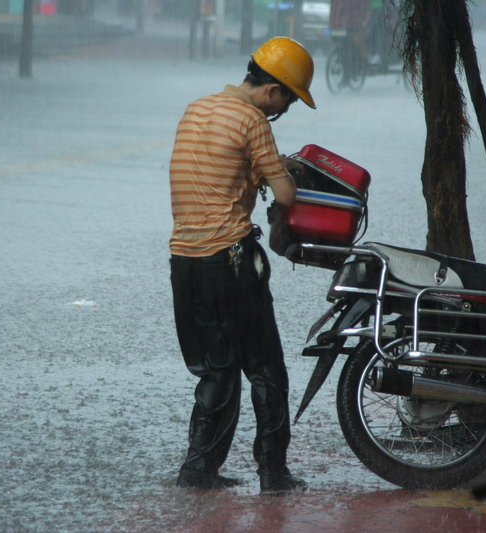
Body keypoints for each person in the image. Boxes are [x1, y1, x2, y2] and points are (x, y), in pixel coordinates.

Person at [168, 36, 316, 495]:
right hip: (231, 260)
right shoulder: (254, 121)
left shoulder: (196, 108)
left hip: (184, 261)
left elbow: (213, 169)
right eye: (286, 104)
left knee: (216, 368)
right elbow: (287, 195)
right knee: (265, 366)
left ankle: (198, 471)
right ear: (273, 91)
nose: (281, 113)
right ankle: (274, 474)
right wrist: (282, 173)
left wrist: (258, 170)